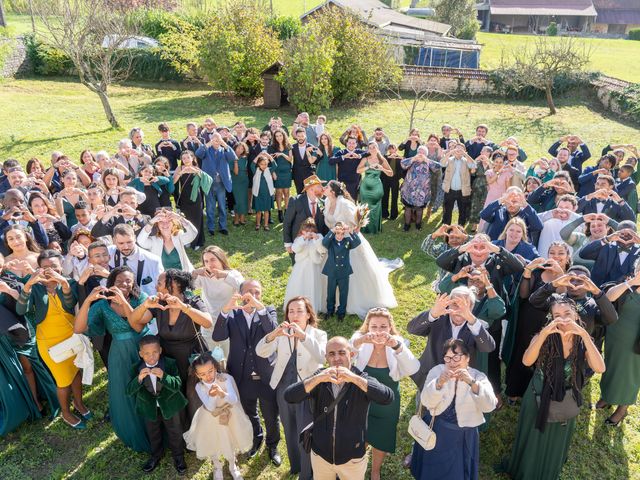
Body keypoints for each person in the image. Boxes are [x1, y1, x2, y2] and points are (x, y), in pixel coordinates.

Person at [503, 296, 604, 480]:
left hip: (566, 398)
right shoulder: (543, 335)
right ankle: (526, 471)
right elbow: (527, 361)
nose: (563, 318)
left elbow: (600, 368)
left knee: (556, 439)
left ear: (575, 314)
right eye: (557, 315)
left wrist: (583, 334)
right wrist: (544, 334)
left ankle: (548, 472)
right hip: (538, 395)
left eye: (567, 313)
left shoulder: (583, 340)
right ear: (551, 317)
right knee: (533, 436)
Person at [284, 336, 394, 480]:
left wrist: (354, 379)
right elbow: (289, 396)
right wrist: (318, 379)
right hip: (321, 456)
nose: (336, 358)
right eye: (332, 354)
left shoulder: (361, 378)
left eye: (342, 353)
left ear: (351, 354)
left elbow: (387, 397)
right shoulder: (320, 378)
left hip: (352, 457)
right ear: (326, 358)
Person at [74, 266, 151, 452]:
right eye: (119, 281)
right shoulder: (101, 305)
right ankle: (134, 431)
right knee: (125, 391)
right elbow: (79, 328)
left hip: (145, 349)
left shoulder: (140, 298)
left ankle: (154, 429)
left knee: (149, 388)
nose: (124, 284)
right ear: (111, 283)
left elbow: (139, 326)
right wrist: (87, 302)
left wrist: (124, 300)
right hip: (119, 353)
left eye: (128, 281)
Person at [16, 250, 90, 429]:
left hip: (72, 337)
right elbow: (20, 310)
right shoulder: (34, 287)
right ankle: (66, 413)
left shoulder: (70, 282)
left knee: (76, 372)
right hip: (49, 342)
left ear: (61, 266)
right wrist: (27, 286)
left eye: (54, 266)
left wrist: (63, 283)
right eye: (45, 267)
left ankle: (79, 404)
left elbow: (70, 305)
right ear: (39, 268)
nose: (50, 270)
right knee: (63, 380)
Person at [256, 296, 327, 480]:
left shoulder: (318, 335)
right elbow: (261, 351)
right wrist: (273, 335)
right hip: (284, 388)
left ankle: (307, 472)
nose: (294, 315)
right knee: (289, 427)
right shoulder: (282, 333)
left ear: (308, 314)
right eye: (291, 311)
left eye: (299, 311)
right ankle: (296, 466)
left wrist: (303, 336)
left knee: (306, 431)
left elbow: (321, 357)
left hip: (307, 390)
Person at [212, 279, 282, 466]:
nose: (253, 295)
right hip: (242, 375)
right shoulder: (233, 314)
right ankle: (256, 438)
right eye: (249, 292)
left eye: (257, 292)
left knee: (270, 413)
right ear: (241, 294)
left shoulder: (269, 311)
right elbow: (217, 336)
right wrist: (226, 309)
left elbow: (273, 331)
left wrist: (259, 307)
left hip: (266, 373)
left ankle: (273, 445)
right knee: (249, 411)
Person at [410, 339, 497, 480]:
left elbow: (489, 406)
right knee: (432, 471)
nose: (452, 362)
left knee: (456, 474)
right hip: (437, 429)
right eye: (448, 358)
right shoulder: (437, 371)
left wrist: (472, 383)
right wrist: (438, 384)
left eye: (457, 356)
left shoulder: (477, 376)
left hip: (464, 435)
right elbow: (426, 401)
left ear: (468, 358)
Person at [351, 308, 420, 480]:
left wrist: (396, 346)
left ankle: (375, 471)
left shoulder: (398, 343)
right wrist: (360, 341)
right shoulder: (359, 339)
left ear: (390, 327)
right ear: (368, 327)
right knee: (360, 433)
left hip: (387, 399)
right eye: (374, 326)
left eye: (383, 326)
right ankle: (357, 464)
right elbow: (345, 355)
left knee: (381, 435)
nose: (379, 331)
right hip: (361, 397)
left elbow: (413, 368)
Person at [129, 270, 213, 404]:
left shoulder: (193, 301)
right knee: (172, 394)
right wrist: (145, 305)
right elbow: (134, 323)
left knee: (194, 394)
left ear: (173, 285)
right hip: (167, 357)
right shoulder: (159, 303)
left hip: (190, 355)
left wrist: (184, 307)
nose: (156, 287)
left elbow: (208, 322)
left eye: (159, 283)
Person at [504, 242, 571, 402]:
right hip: (527, 320)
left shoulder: (569, 276)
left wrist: (560, 273)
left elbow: (564, 299)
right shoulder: (538, 271)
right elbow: (524, 295)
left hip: (550, 324)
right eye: (552, 253)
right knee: (522, 353)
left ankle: (533, 392)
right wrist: (528, 271)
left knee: (542, 358)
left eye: (560, 253)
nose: (556, 256)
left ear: (568, 257)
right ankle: (514, 391)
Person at [322, 180, 399, 317]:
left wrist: (348, 230)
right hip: (334, 243)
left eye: (326, 187)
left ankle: (354, 301)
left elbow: (358, 222)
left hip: (349, 241)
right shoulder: (327, 202)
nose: (324, 188)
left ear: (333, 191)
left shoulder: (345, 204)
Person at [406, 287, 496, 390]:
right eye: (455, 304)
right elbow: (411, 329)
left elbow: (488, 347)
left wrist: (471, 319)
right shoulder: (437, 318)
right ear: (448, 304)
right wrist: (432, 313)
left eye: (464, 306)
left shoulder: (478, 326)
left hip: (461, 386)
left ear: (471, 307)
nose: (458, 310)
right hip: (431, 379)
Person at [183, 353, 252, 480]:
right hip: (210, 418)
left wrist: (221, 392)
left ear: (215, 368)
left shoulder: (225, 378)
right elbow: (210, 407)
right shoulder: (199, 386)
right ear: (197, 375)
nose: (207, 376)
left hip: (230, 416)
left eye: (210, 371)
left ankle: (232, 466)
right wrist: (214, 395)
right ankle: (217, 466)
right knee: (212, 441)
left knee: (231, 440)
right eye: (202, 374)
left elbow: (233, 399)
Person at [126, 335, 188, 474]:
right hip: (149, 408)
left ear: (160, 350)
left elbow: (177, 385)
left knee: (175, 432)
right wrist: (139, 378)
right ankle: (156, 455)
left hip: (170, 407)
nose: (151, 356)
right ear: (140, 354)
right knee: (153, 433)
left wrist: (164, 376)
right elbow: (128, 391)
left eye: (154, 352)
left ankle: (178, 457)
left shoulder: (170, 363)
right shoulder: (136, 368)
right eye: (146, 353)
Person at [594, 263, 640, 426]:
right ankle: (607, 397)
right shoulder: (627, 284)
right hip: (615, 336)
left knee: (630, 375)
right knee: (611, 366)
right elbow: (608, 298)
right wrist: (631, 282)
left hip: (636, 345)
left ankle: (622, 409)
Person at [108, 224, 164, 298]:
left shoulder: (154, 261)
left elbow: (162, 288)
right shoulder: (107, 253)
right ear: (114, 241)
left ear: (134, 238)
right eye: (121, 243)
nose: (126, 247)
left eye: (129, 242)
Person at [195, 132, 235, 236]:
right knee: (210, 206)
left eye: (219, 140)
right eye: (214, 140)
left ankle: (223, 226)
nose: (217, 142)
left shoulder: (224, 150)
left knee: (222, 206)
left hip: (221, 183)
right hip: (209, 183)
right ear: (211, 140)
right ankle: (211, 227)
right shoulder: (206, 149)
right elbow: (198, 154)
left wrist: (224, 144)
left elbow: (233, 157)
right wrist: (208, 144)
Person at [283, 219, 326, 314]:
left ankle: (311, 307)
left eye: (312, 231)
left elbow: (322, 250)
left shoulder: (319, 238)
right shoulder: (299, 239)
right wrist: (303, 239)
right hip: (301, 267)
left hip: (313, 267)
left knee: (312, 284)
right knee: (299, 284)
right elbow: (295, 249)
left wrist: (317, 240)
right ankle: (297, 305)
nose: (309, 233)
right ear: (302, 231)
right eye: (307, 231)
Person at [283, 175, 328, 264]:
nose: (322, 188)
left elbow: (325, 225)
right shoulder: (296, 201)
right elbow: (287, 223)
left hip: (316, 244)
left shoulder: (324, 202)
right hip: (300, 243)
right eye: (319, 186)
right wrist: (288, 243)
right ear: (310, 189)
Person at [578, 221, 640, 287]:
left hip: (630, 293)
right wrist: (607, 239)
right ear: (616, 233)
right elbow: (583, 254)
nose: (625, 236)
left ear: (636, 234)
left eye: (630, 233)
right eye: (622, 233)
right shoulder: (605, 247)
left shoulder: (638, 250)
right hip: (600, 292)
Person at [320, 222, 361, 321]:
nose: (340, 236)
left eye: (342, 233)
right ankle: (330, 311)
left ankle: (341, 312)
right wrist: (332, 231)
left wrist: (351, 232)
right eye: (337, 233)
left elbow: (358, 242)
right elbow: (324, 242)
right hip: (332, 272)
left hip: (344, 272)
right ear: (335, 233)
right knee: (330, 293)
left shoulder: (347, 241)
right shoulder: (331, 242)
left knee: (343, 293)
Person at [173, 150, 212, 250]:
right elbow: (173, 181)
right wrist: (181, 173)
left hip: (196, 198)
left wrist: (196, 172)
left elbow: (207, 180)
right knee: (185, 219)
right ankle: (187, 240)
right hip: (184, 197)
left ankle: (197, 241)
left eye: (188, 157)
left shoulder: (196, 168)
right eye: (183, 158)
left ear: (192, 158)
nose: (186, 160)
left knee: (196, 219)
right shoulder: (179, 168)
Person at [357, 142, 393, 234]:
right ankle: (364, 228)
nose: (372, 149)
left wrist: (382, 169)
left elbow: (391, 173)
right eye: (370, 147)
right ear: (368, 149)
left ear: (378, 148)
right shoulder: (365, 159)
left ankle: (374, 228)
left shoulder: (382, 160)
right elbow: (358, 170)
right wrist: (368, 167)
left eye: (374, 147)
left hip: (377, 187)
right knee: (365, 206)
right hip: (365, 187)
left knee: (375, 206)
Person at [400, 145, 438, 232]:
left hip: (422, 191)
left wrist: (426, 160)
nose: (421, 153)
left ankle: (418, 225)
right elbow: (402, 164)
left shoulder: (428, 162)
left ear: (426, 154)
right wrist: (413, 159)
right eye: (419, 151)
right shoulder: (412, 160)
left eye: (423, 152)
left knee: (419, 209)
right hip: (409, 190)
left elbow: (438, 167)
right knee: (408, 208)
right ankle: (406, 225)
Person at [441, 144, 477, 226]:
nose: (459, 151)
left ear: (464, 151)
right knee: (447, 210)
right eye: (457, 149)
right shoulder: (449, 160)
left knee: (463, 210)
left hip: (463, 191)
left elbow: (474, 165)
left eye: (461, 149)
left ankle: (460, 228)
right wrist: (450, 152)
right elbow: (442, 163)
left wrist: (465, 154)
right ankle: (446, 227)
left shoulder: (466, 161)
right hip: (450, 189)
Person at [268, 128, 293, 223]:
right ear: (274, 137)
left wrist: (282, 154)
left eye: (280, 135)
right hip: (277, 172)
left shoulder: (288, 146)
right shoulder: (272, 147)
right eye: (277, 136)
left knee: (286, 192)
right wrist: (273, 172)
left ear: (283, 136)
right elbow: (270, 161)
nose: (279, 138)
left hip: (287, 172)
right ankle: (279, 211)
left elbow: (290, 159)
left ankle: (286, 211)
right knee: (278, 192)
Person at [250, 153, 275, 231]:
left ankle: (266, 225)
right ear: (258, 164)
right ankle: (257, 224)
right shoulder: (256, 170)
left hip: (267, 194)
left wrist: (269, 156)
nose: (263, 166)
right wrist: (258, 155)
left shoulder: (269, 170)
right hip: (258, 193)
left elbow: (275, 165)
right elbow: (251, 165)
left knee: (267, 210)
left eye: (265, 164)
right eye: (262, 164)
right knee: (258, 211)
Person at [291, 127, 319, 194]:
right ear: (296, 137)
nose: (300, 138)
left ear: (305, 136)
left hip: (309, 173)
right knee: (299, 193)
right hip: (297, 174)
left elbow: (315, 161)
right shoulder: (292, 147)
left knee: (310, 192)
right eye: (298, 136)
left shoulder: (311, 147)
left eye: (302, 136)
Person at [229, 143, 249, 226]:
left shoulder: (245, 159)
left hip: (244, 181)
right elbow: (236, 172)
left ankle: (242, 218)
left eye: (242, 149)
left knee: (244, 200)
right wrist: (236, 161)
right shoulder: (231, 159)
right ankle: (236, 219)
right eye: (238, 148)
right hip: (235, 181)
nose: (240, 150)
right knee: (237, 201)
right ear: (235, 148)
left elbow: (247, 169)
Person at [382, 144, 403, 220]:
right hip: (386, 180)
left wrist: (396, 178)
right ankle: (384, 213)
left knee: (394, 197)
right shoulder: (385, 157)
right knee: (385, 196)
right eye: (389, 149)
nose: (391, 150)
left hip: (395, 180)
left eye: (392, 148)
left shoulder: (400, 159)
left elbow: (401, 171)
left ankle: (393, 215)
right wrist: (389, 157)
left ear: (396, 149)